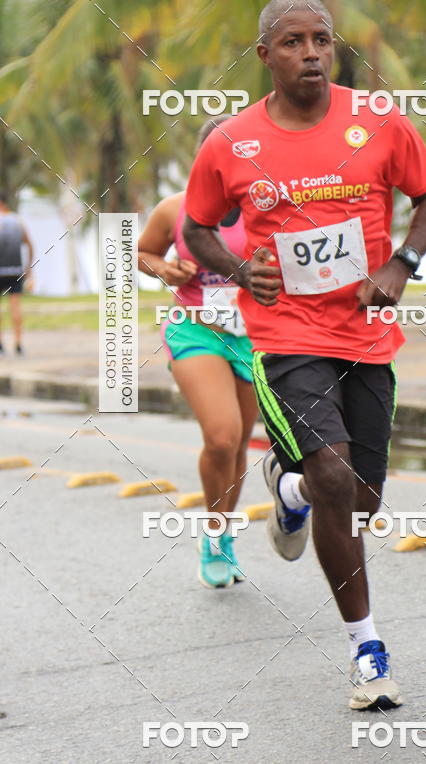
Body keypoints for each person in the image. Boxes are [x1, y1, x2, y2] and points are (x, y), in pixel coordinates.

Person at [183, 0, 426, 709]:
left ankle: (287, 490)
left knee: (358, 497)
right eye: (294, 42)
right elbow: (198, 226)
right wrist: (242, 272)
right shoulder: (230, 143)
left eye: (321, 40)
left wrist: (400, 266)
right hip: (284, 337)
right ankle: (368, 651)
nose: (311, 54)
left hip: (365, 334)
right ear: (266, 56)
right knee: (334, 473)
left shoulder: (379, 121)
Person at [137, 115, 257, 589]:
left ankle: (225, 534)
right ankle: (212, 533)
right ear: (201, 158)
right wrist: (166, 270)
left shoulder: (262, 209)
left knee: (241, 443)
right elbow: (144, 253)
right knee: (222, 437)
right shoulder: (175, 209)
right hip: (195, 330)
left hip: (254, 334)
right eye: (214, 154)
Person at [0, 193, 33, 356]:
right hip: (15, 271)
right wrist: (29, 268)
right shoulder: (17, 220)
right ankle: (18, 344)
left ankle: (0, 344)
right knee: (15, 307)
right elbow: (29, 244)